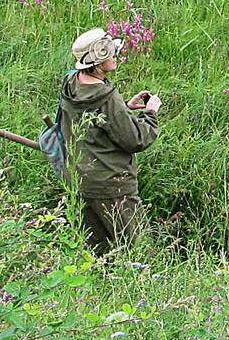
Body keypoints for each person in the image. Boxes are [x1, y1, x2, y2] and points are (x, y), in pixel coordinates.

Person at [59, 27, 160, 251]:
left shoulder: (71, 84)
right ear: (98, 59)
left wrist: (124, 109)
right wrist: (150, 113)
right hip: (112, 186)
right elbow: (136, 139)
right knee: (140, 252)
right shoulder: (107, 97)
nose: (115, 55)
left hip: (79, 181)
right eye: (111, 52)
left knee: (97, 255)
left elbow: (94, 121)